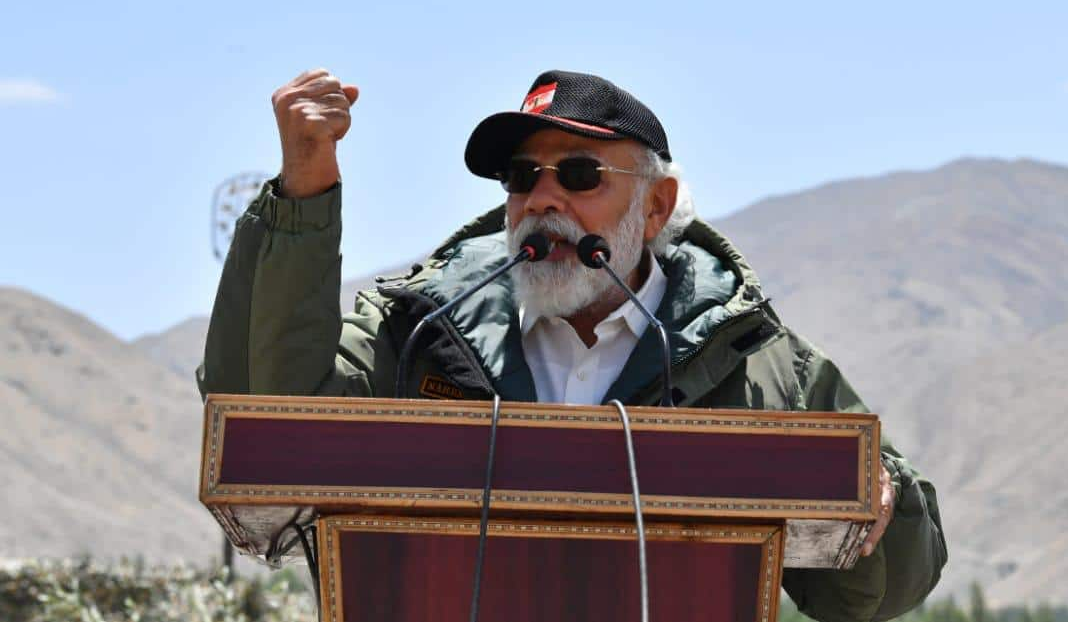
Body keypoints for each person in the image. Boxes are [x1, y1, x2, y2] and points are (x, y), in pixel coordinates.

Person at [198, 68, 947, 622]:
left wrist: (882, 507)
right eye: (523, 176)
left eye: (580, 174)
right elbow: (266, 408)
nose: (543, 199)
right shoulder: (422, 332)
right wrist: (303, 195)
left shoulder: (749, 358)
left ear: (654, 207)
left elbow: (884, 587)